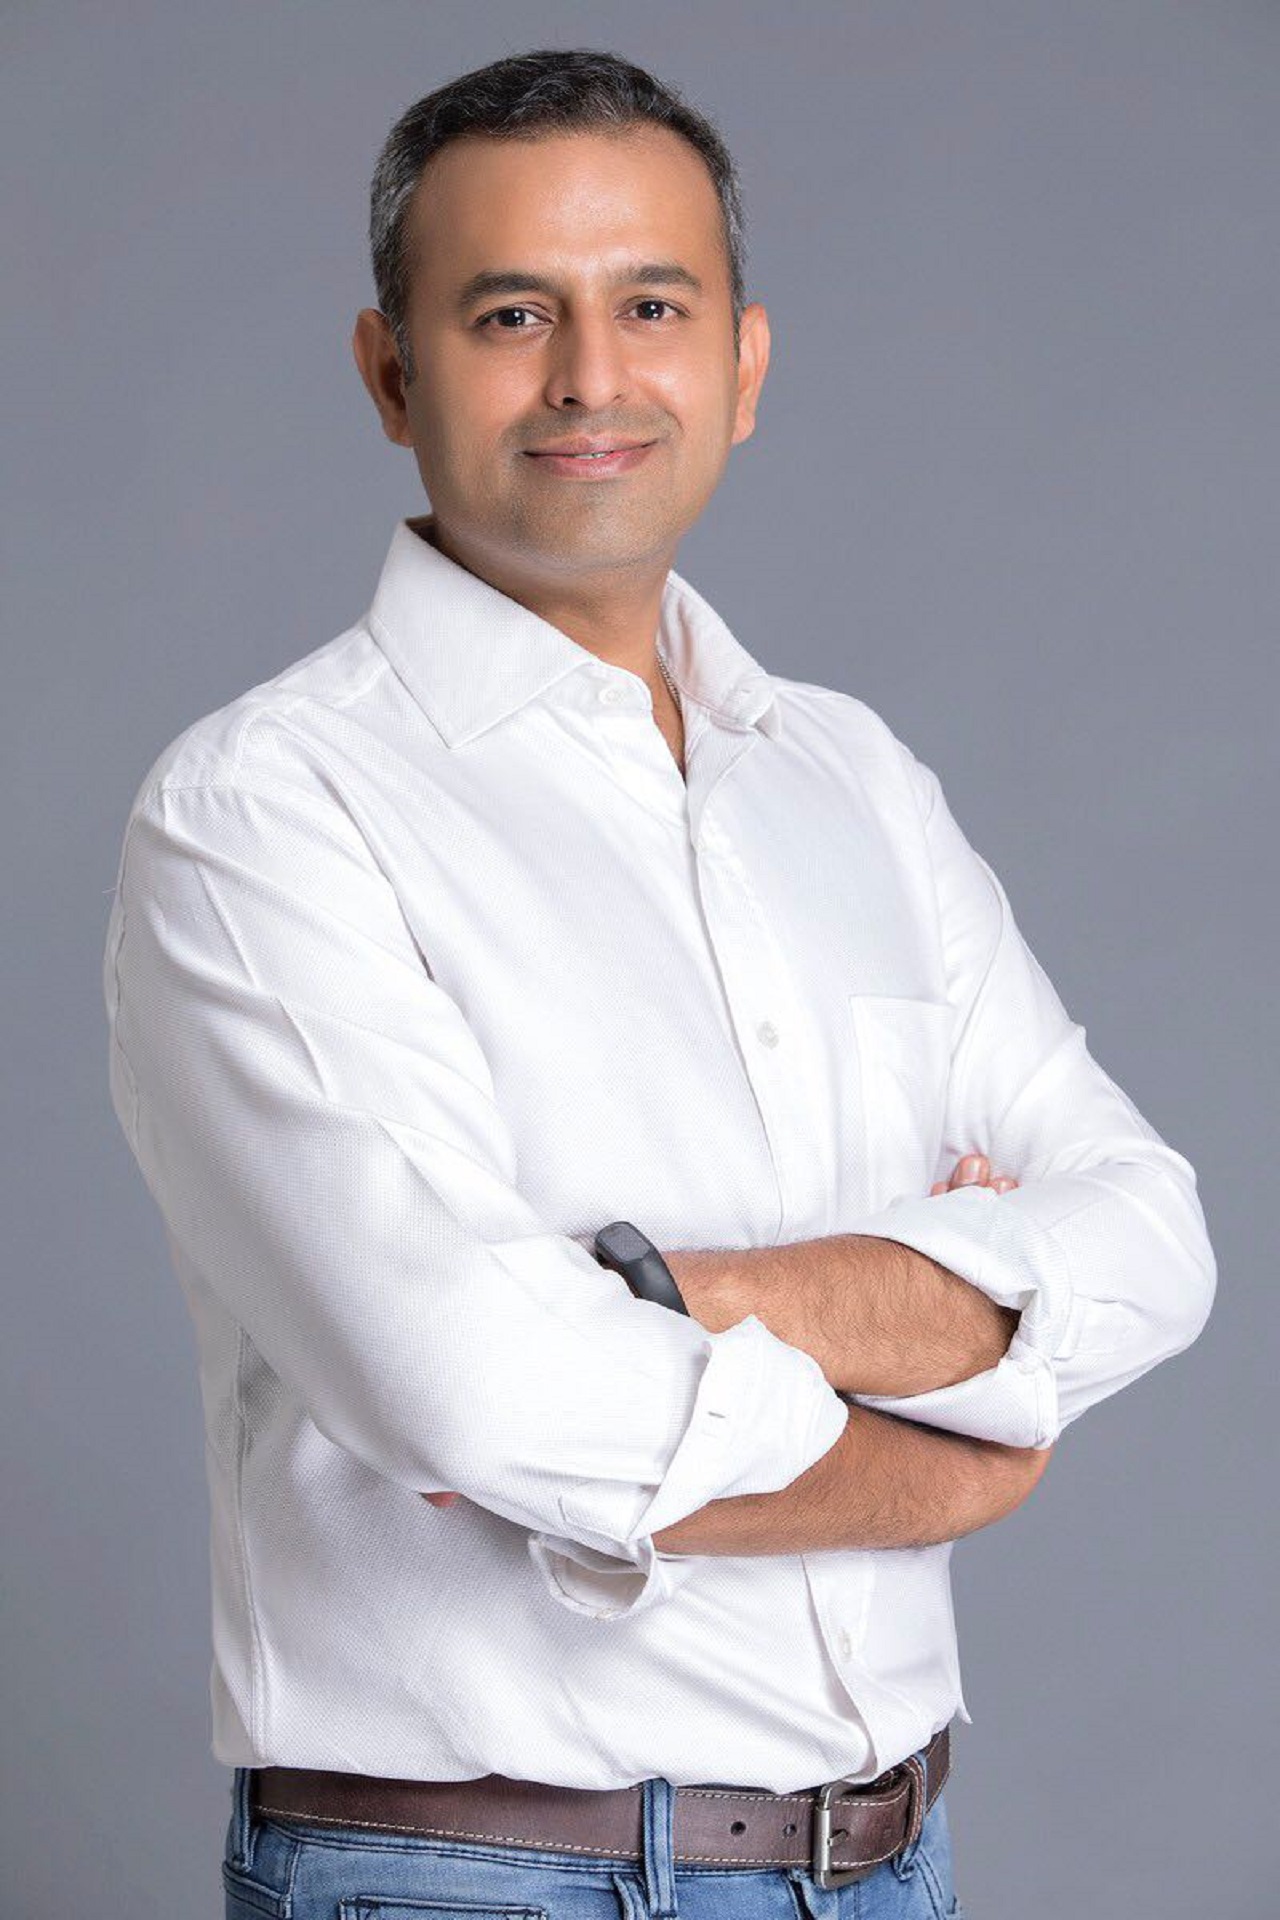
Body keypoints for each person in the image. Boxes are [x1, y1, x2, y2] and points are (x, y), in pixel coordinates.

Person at [102, 47, 1217, 1920]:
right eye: (510, 314)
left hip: (893, 1862)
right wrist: (954, 1431)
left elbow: (1154, 1238)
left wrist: (673, 1298)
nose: (590, 378)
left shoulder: (853, 779)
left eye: (652, 306)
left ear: (745, 365)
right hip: (475, 1880)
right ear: (390, 374)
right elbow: (474, 1389)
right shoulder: (266, 811)